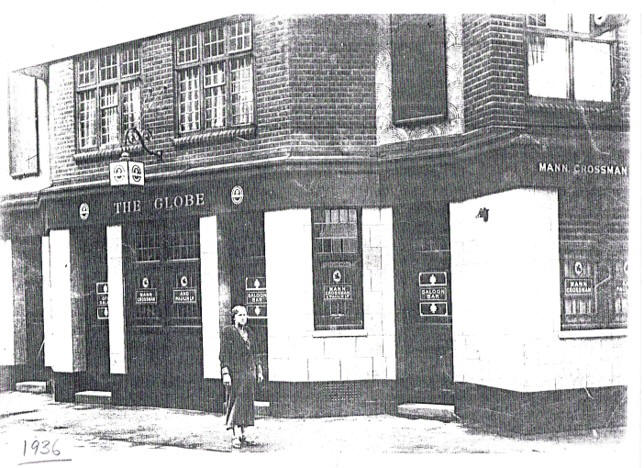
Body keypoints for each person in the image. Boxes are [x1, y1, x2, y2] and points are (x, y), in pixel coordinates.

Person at [220, 305, 263, 448]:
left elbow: (255, 353)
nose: (243, 317)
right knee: (235, 401)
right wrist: (225, 373)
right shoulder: (228, 332)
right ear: (234, 317)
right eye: (240, 315)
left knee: (246, 402)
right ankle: (233, 435)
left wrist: (259, 370)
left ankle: (244, 433)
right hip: (235, 374)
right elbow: (223, 354)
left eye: (245, 315)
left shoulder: (249, 332)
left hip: (248, 373)